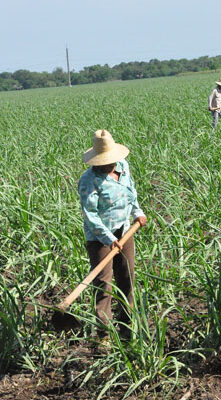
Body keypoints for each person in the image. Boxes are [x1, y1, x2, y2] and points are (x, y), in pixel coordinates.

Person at [78, 129, 148, 338]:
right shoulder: (88, 181)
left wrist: (138, 212)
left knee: (127, 277)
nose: (109, 164)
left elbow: (131, 193)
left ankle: (128, 326)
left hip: (125, 230)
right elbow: (90, 215)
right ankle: (104, 334)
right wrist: (109, 239)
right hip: (100, 237)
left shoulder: (123, 166)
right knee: (104, 284)